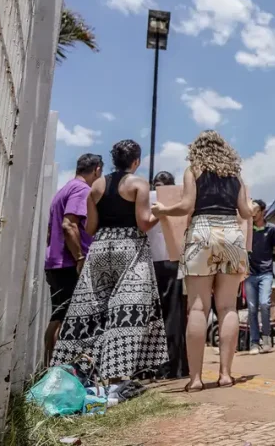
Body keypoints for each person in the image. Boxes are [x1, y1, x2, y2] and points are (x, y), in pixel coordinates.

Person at [52, 141, 167, 384]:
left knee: (95, 310)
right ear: (135, 162)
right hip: (131, 248)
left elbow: (91, 228)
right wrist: (161, 212)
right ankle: (116, 377)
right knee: (126, 311)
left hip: (101, 248)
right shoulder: (138, 184)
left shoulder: (97, 185)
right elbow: (144, 223)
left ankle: (80, 371)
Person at [152, 130, 254, 392]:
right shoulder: (235, 175)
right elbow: (245, 211)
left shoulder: (193, 170)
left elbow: (186, 206)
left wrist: (164, 210)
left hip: (202, 231)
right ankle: (225, 375)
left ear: (197, 148)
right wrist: (251, 207)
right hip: (231, 233)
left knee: (198, 308)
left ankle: (196, 379)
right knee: (228, 307)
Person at [43, 153, 103, 365]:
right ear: (97, 170)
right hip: (69, 264)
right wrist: (79, 257)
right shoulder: (82, 190)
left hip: (55, 262)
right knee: (67, 319)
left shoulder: (63, 190)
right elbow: (69, 224)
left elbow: (51, 232)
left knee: (58, 316)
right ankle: (61, 371)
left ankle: (50, 369)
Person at [149, 171, 189, 379]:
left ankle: (156, 368)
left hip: (151, 262)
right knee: (174, 315)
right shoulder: (179, 200)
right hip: (173, 261)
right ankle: (176, 366)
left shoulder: (147, 199)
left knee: (154, 317)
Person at [246, 199, 275, 355]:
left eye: (255, 210)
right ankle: (254, 343)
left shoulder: (272, 229)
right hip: (249, 274)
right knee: (251, 309)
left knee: (264, 304)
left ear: (262, 211)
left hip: (265, 273)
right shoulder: (247, 228)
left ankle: (266, 338)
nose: (252, 213)